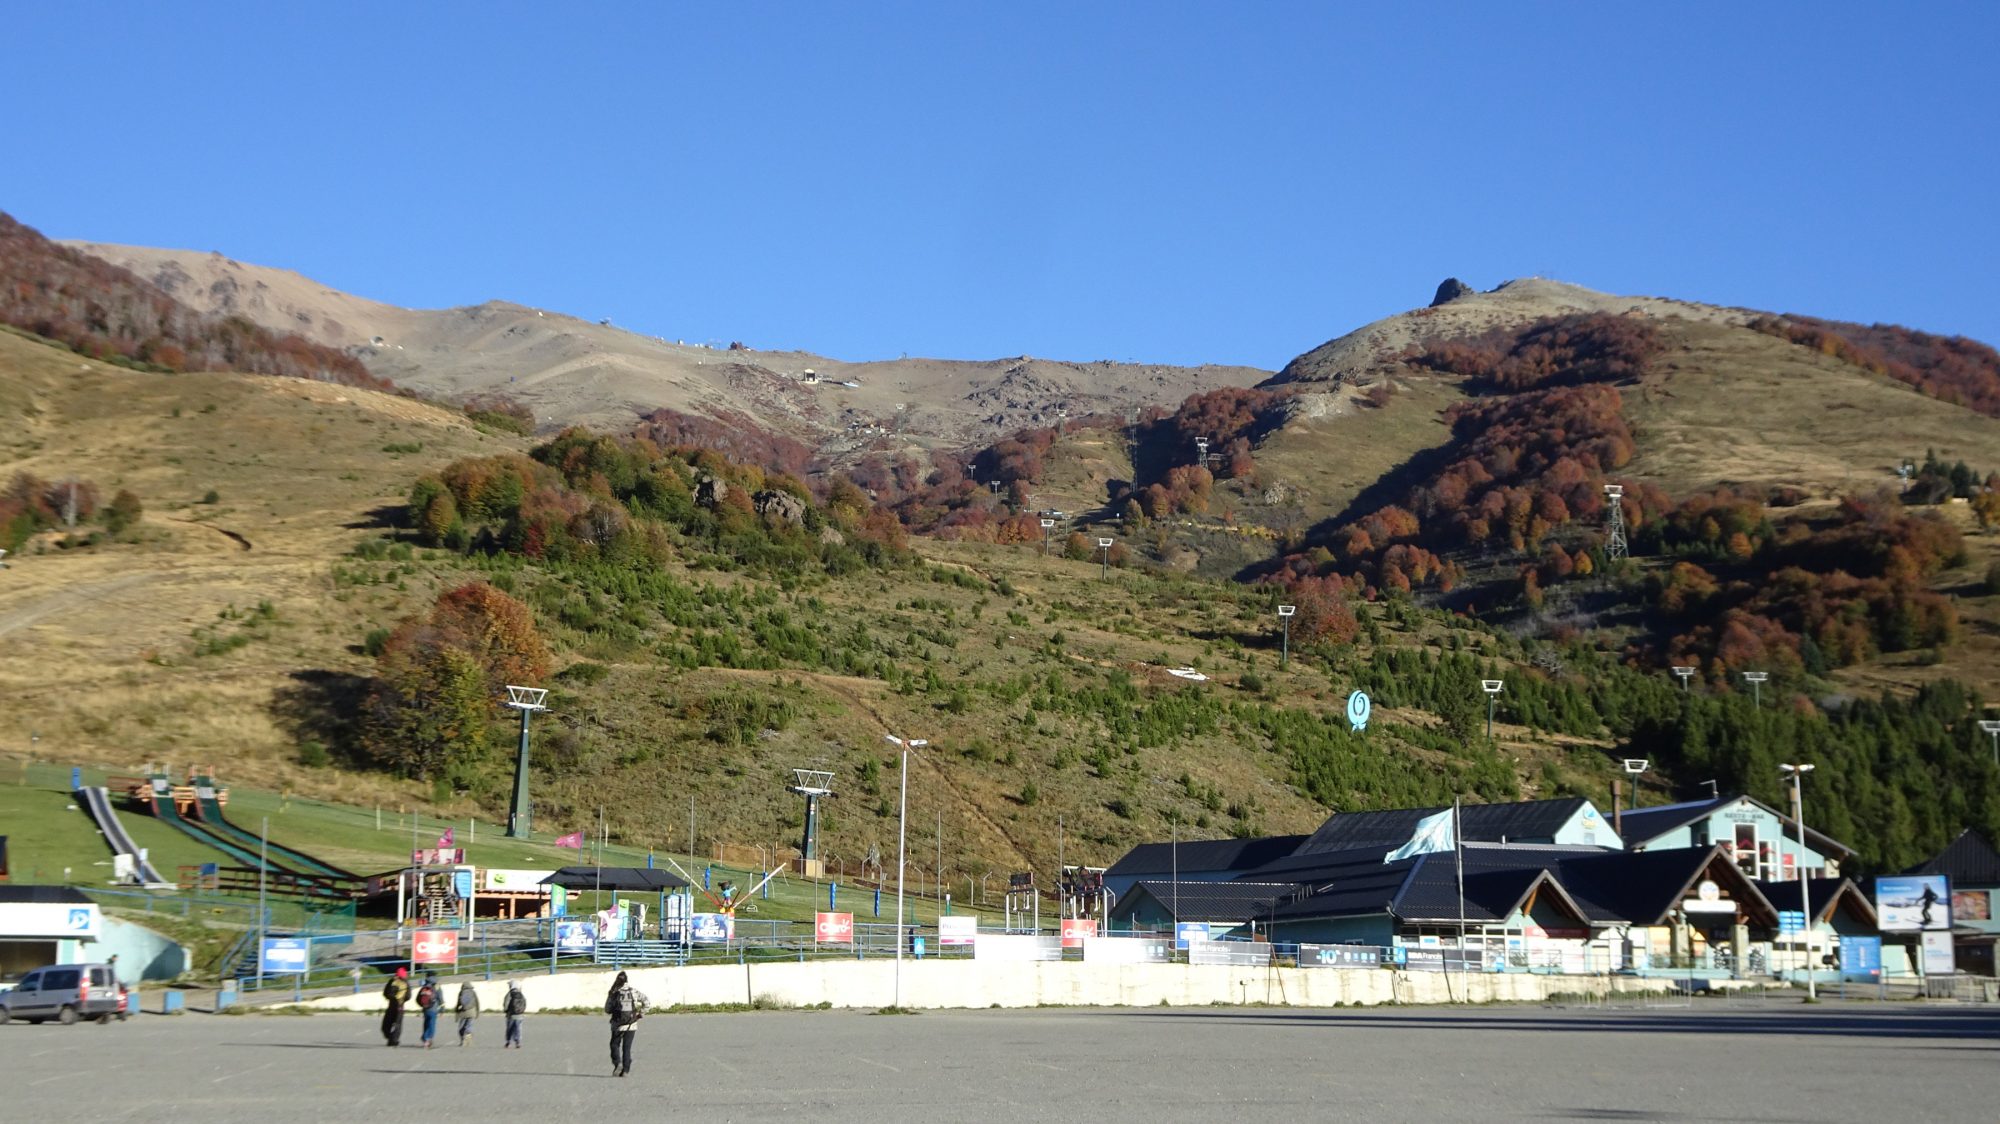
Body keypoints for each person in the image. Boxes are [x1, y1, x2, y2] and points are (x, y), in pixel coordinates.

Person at [604, 970, 648, 1077]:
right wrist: (640, 1014)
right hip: (631, 1024)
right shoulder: (633, 991)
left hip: (617, 1025)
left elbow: (607, 1009)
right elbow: (647, 1002)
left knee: (614, 1044)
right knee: (627, 1048)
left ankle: (617, 1063)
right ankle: (626, 1070)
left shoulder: (614, 993)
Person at [381, 967, 410, 1047]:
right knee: (398, 1025)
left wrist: (390, 998)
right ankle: (394, 1040)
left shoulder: (391, 981)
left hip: (391, 1006)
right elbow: (408, 996)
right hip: (400, 1006)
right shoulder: (406, 983)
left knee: (386, 1024)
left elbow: (385, 993)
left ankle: (390, 1037)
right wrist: (402, 1000)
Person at [416, 973, 441, 1048]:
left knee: (426, 1024)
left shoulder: (424, 986)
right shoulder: (436, 986)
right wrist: (442, 1009)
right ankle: (428, 1039)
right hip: (433, 1008)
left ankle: (425, 1039)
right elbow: (440, 998)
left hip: (425, 1009)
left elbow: (417, 998)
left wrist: (422, 1005)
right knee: (431, 1024)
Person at [502, 980, 526, 1049]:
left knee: (510, 1029)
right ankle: (518, 1042)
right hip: (520, 1015)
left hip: (511, 1015)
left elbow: (506, 1003)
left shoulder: (510, 994)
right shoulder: (521, 994)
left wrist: (506, 1011)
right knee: (518, 1029)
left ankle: (508, 1042)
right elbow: (524, 1004)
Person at [455, 982, 479, 1046]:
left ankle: (462, 1040)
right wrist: (477, 1013)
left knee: (461, 1027)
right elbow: (477, 1003)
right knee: (469, 1025)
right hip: (472, 1012)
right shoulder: (473, 992)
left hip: (463, 1012)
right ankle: (468, 1035)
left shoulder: (461, 992)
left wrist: (456, 1015)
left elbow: (458, 1004)